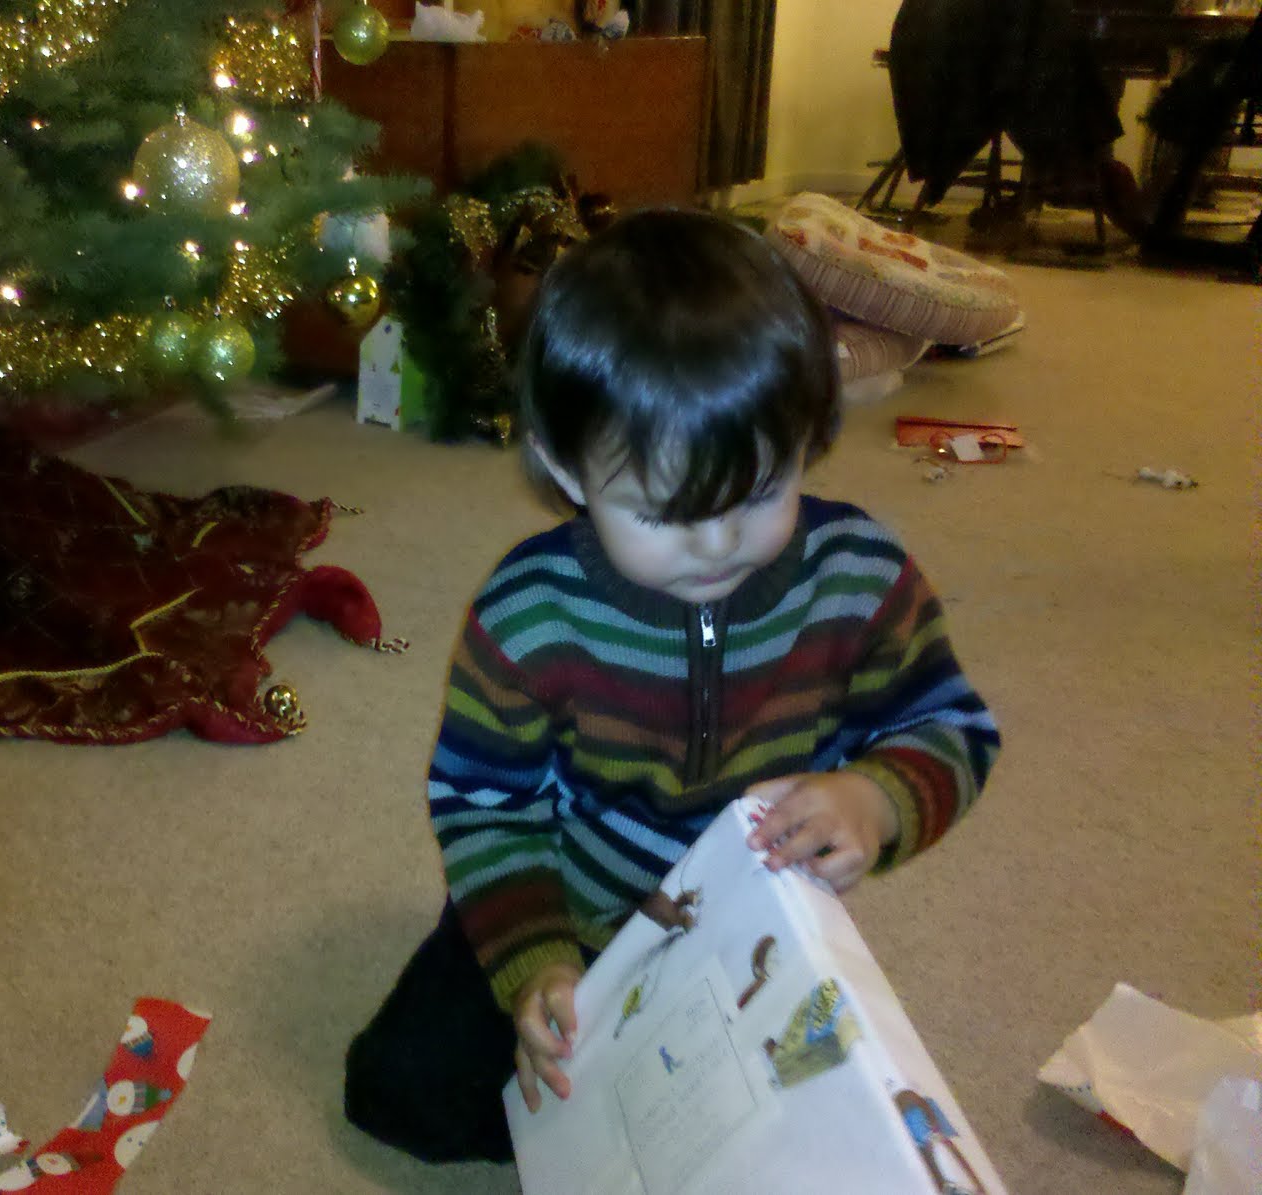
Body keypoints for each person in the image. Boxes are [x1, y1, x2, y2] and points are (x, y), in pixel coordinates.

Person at [342, 208, 1000, 1164]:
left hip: (750, 936)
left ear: (810, 436)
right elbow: (486, 805)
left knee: (777, 1144)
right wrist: (535, 963)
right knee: (398, 1093)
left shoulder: (857, 575)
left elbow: (954, 726)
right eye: (662, 512)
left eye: (761, 491)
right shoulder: (528, 613)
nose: (718, 542)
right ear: (569, 469)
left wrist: (876, 797)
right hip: (568, 911)